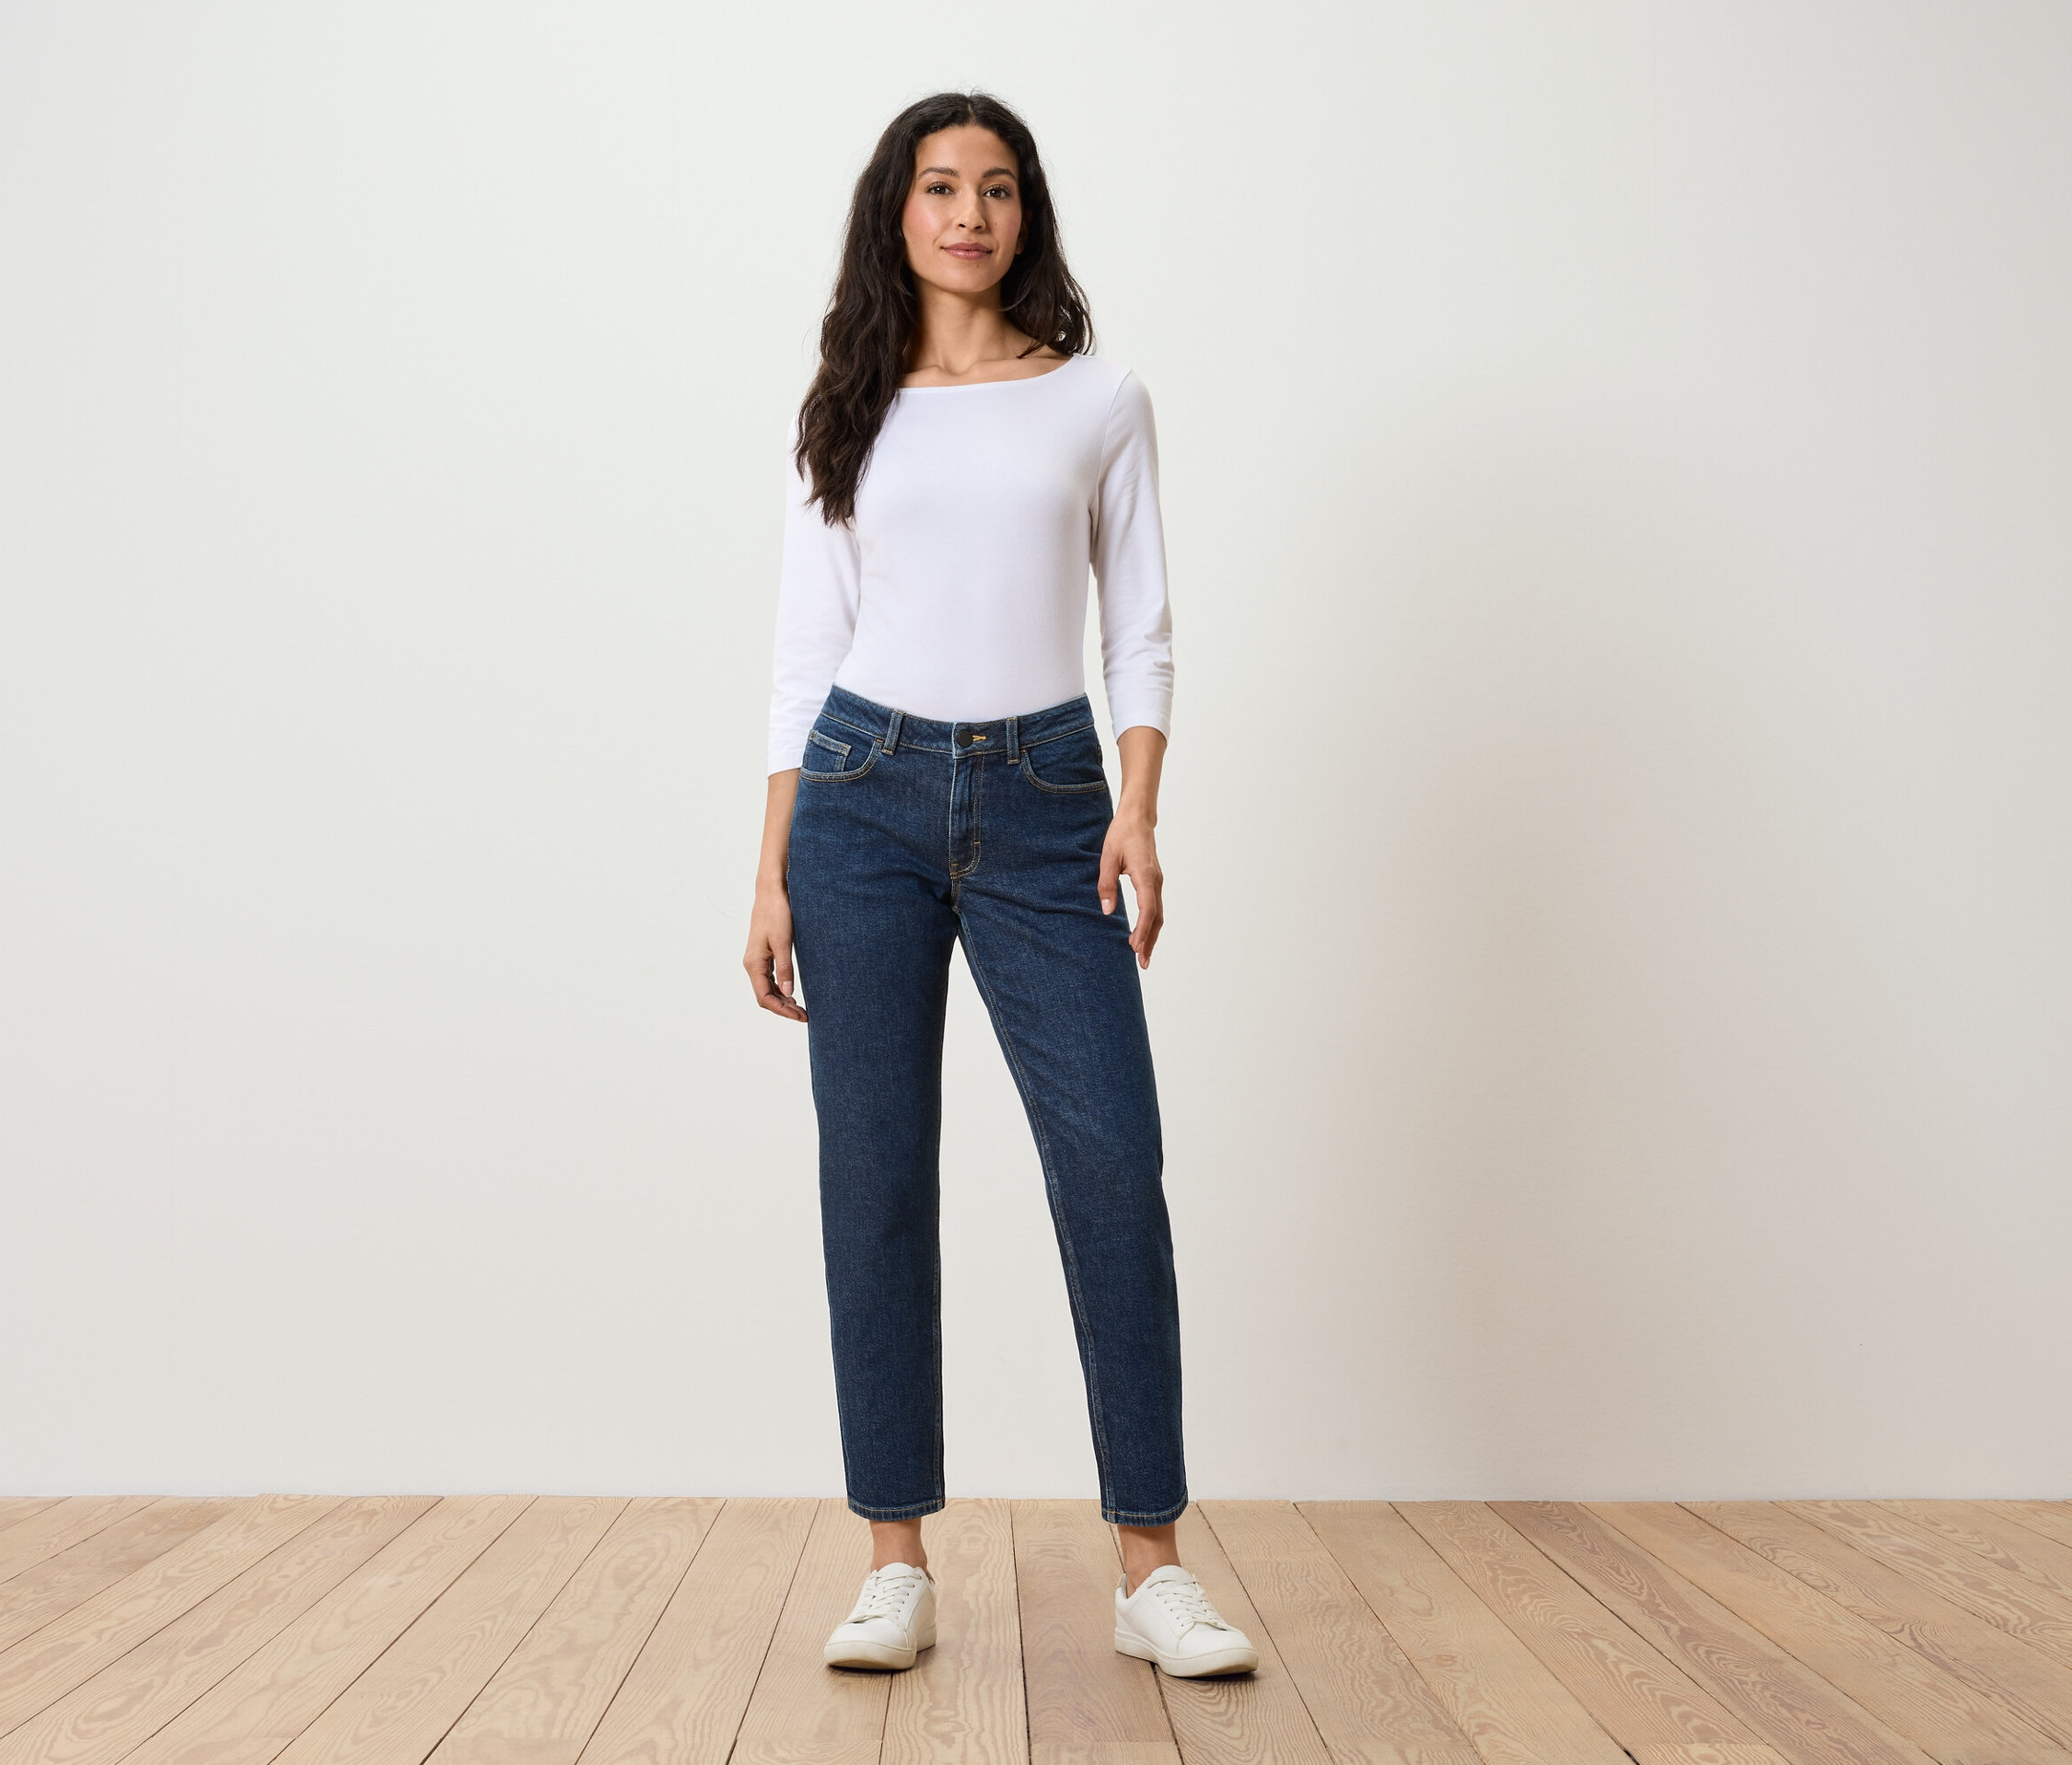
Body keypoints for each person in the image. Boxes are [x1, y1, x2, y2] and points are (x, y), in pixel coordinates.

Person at [744, 90, 1258, 1681]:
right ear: (893, 213)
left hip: (1049, 800)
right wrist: (767, 867)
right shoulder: (845, 406)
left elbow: (1143, 628)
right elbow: (802, 651)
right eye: (940, 186)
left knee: (1112, 1165)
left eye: (998, 188)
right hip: (856, 799)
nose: (969, 212)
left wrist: (1141, 809)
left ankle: (1149, 1563)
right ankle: (894, 1553)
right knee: (876, 1176)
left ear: (1026, 216)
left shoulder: (1096, 399)